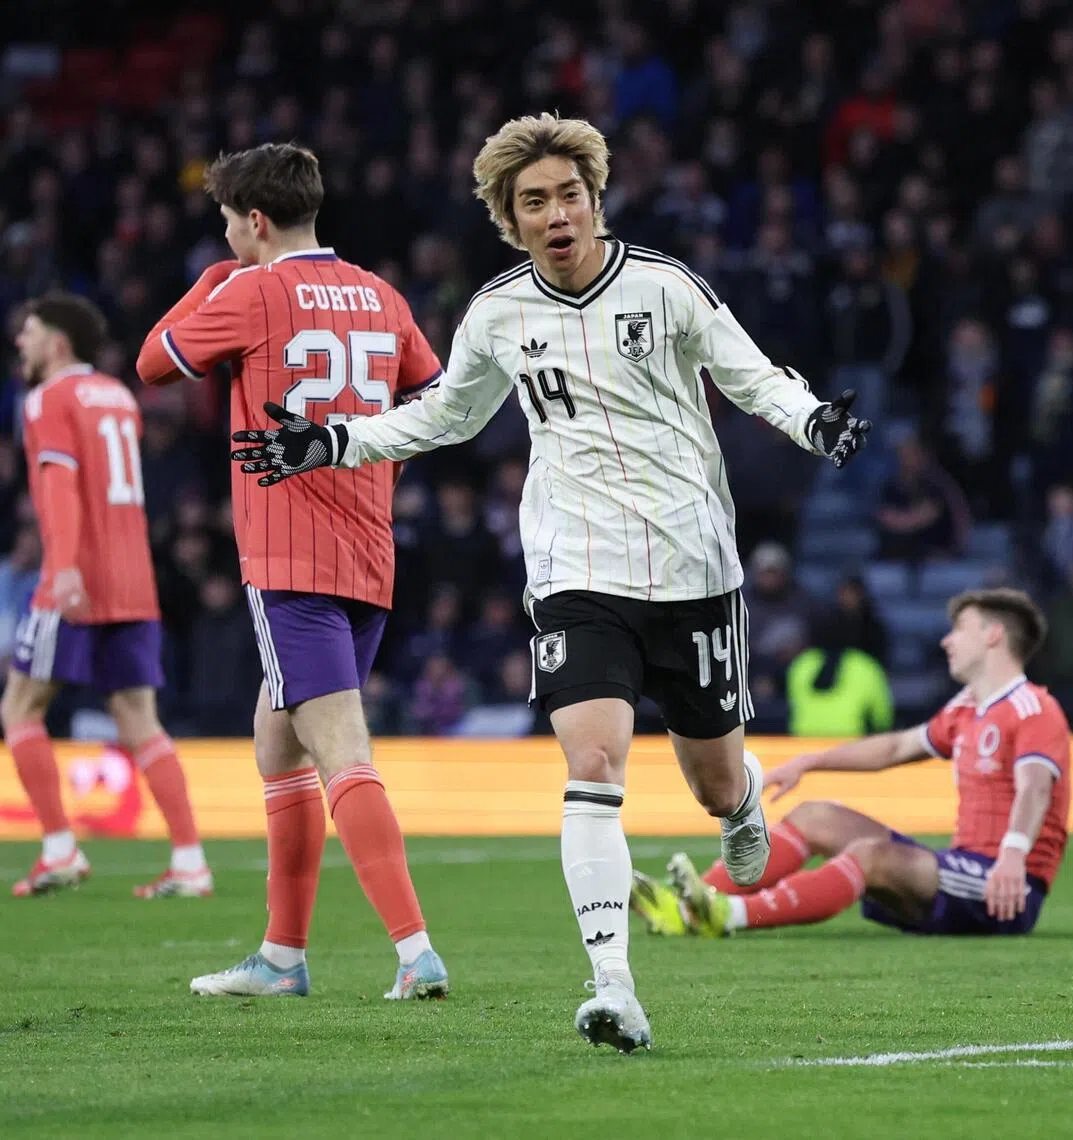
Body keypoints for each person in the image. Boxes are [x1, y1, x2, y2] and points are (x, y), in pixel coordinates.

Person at [229, 114, 871, 1051]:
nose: (557, 213)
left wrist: (813, 422)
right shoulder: (497, 313)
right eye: (535, 201)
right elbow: (443, 417)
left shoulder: (665, 286)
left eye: (570, 195)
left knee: (711, 779)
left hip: (693, 567)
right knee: (593, 762)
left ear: (595, 200)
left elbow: (750, 376)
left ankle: (742, 801)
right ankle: (613, 986)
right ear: (511, 218)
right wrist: (334, 441)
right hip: (576, 569)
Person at [135, 143, 448, 1001]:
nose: (225, 239)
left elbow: (153, 362)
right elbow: (438, 400)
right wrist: (380, 467)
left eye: (227, 224)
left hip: (289, 557)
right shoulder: (381, 295)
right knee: (278, 744)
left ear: (256, 221)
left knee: (341, 749)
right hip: (369, 552)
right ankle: (281, 958)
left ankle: (416, 951)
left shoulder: (248, 290)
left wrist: (212, 280)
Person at [631, 588, 1071, 941]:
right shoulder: (966, 709)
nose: (946, 640)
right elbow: (894, 748)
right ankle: (687, 904)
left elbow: (1035, 787)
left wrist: (1013, 857)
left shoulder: (1033, 708)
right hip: (961, 869)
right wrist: (810, 761)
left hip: (1007, 886)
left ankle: (727, 915)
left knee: (869, 854)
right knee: (815, 816)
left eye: (959, 629)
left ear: (994, 635)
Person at [3, 293, 211, 898]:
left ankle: (59, 849)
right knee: (139, 720)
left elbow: (61, 486)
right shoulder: (118, 395)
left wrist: (65, 568)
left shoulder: (47, 398)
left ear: (58, 343)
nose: (20, 341)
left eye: (30, 331)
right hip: (133, 579)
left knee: (20, 708)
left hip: (77, 578)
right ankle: (190, 861)